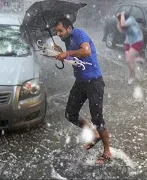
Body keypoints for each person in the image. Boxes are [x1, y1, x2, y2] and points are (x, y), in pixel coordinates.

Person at [54, 18, 111, 164]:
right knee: (70, 114)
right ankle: (95, 133)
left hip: (94, 82)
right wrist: (61, 53)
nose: (58, 34)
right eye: (56, 31)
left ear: (69, 28)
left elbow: (86, 51)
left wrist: (67, 53)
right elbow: (75, 58)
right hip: (80, 82)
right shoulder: (67, 40)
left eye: (60, 30)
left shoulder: (79, 34)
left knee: (97, 119)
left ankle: (107, 151)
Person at [116, 11, 144, 84]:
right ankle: (137, 59)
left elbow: (123, 24)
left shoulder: (130, 20)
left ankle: (132, 76)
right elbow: (120, 30)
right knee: (128, 60)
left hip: (137, 41)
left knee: (129, 60)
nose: (119, 19)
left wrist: (121, 14)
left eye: (120, 17)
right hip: (128, 42)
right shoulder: (123, 21)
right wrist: (118, 19)